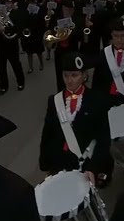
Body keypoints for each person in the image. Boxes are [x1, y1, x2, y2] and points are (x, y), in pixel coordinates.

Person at [39, 53, 113, 200]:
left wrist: (93, 168)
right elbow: (48, 133)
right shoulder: (54, 101)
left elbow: (103, 138)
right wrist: (46, 163)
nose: (70, 80)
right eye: (66, 75)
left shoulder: (97, 100)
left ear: (84, 76)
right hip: (61, 161)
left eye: (74, 75)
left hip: (85, 161)